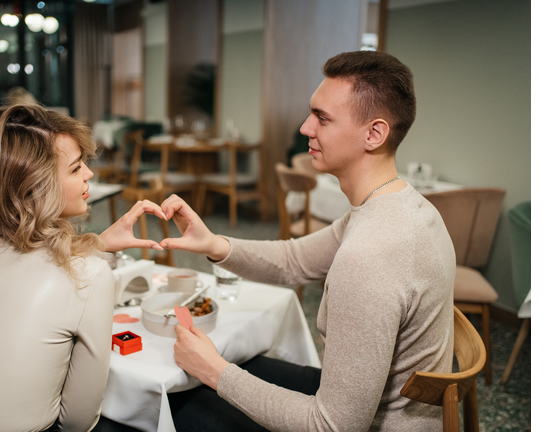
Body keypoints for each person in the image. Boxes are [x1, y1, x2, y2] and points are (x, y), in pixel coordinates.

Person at [158, 51, 456, 431]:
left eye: (322, 118)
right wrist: (213, 243)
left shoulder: (369, 256)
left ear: (374, 134)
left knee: (175, 405)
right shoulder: (401, 205)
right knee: (236, 368)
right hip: (384, 407)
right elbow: (295, 260)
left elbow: (331, 426)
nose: (305, 128)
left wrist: (216, 372)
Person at [0, 104, 166, 432]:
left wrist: (98, 243)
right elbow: (78, 420)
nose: (90, 174)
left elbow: (18, 260)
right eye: (76, 168)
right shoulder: (89, 277)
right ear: (36, 187)